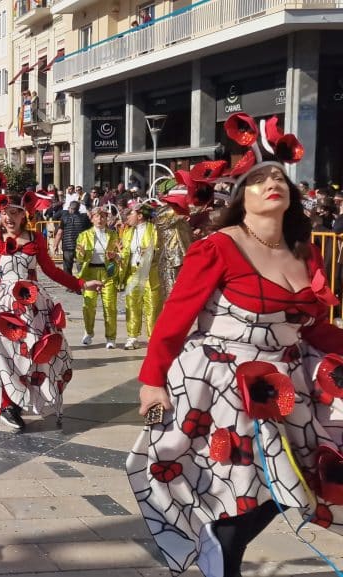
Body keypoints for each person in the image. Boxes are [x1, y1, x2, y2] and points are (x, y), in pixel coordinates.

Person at [128, 129, 343, 577]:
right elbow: (174, 317)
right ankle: (223, 549)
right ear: (242, 196)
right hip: (223, 382)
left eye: (280, 177)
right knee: (250, 480)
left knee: (303, 478)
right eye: (260, 177)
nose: (272, 182)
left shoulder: (306, 254)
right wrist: (152, 381)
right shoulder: (219, 245)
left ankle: (222, 543)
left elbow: (318, 329)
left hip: (288, 382)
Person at [0, 193, 100, 430]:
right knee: (1, 351)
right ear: (1, 214)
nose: (10, 218)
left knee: (33, 351)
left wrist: (80, 284)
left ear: (23, 215)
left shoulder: (36, 237)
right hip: (1, 305)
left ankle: (24, 397)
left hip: (31, 304)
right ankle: (7, 404)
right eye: (6, 213)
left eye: (15, 213)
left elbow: (51, 271)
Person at [119, 201, 162, 349]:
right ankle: (132, 336)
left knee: (152, 306)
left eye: (131, 214)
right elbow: (125, 253)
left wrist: (151, 252)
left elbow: (160, 249)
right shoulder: (128, 232)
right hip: (133, 272)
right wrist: (117, 256)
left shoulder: (154, 229)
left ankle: (153, 337)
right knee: (132, 305)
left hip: (150, 273)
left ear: (140, 215)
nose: (128, 217)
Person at [75, 207, 119, 348]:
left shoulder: (113, 235)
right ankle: (88, 332)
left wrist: (116, 256)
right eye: (97, 216)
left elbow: (121, 253)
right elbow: (79, 257)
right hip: (90, 273)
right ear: (92, 218)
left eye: (103, 217)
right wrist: (81, 253)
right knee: (88, 305)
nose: (100, 219)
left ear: (107, 219)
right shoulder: (84, 235)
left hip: (108, 273)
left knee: (110, 306)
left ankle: (111, 337)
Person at [56, 200, 91, 274]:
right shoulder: (84, 218)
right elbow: (90, 230)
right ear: (78, 209)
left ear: (70, 208)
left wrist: (55, 245)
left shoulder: (64, 218)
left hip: (67, 247)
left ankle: (69, 284)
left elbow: (59, 233)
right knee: (81, 268)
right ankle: (82, 284)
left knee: (67, 268)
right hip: (80, 246)